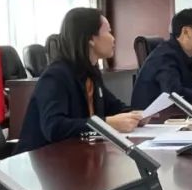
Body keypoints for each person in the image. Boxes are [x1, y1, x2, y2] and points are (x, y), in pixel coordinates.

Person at [16, 8, 142, 152]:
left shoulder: (91, 72)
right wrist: (106, 124)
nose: (113, 38)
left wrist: (137, 115)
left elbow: (113, 107)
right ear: (91, 39)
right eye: (108, 32)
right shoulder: (56, 76)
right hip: (42, 159)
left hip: (76, 155)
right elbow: (54, 128)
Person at [131, 8, 192, 109]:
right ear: (186, 32)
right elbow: (172, 95)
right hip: (150, 117)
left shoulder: (188, 55)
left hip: (173, 114)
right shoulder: (165, 57)